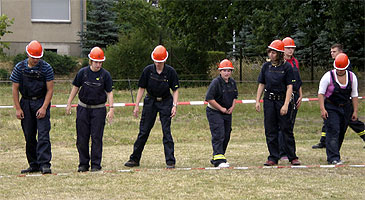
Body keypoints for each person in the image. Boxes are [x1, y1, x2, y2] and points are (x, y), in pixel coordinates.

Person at [124, 45, 179, 169]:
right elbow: (141, 88)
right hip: (150, 102)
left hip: (166, 102)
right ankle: (134, 159)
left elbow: (175, 90)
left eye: (160, 61)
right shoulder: (147, 70)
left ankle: (170, 161)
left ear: (164, 60)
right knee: (144, 131)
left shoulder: (171, 72)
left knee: (166, 132)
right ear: (153, 60)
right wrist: (136, 105)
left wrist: (174, 105)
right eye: (156, 61)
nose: (158, 64)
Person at [66, 47, 114, 172]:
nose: (98, 64)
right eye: (96, 62)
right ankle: (83, 164)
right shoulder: (83, 73)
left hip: (98, 110)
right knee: (82, 138)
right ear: (90, 61)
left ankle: (96, 164)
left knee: (96, 138)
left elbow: (109, 92)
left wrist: (111, 108)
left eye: (100, 62)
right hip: (83, 109)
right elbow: (75, 87)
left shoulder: (105, 75)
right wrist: (69, 103)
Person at [10, 40, 54, 174]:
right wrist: (18, 108)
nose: (36, 60)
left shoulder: (46, 68)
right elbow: (15, 89)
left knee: (43, 135)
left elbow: (50, 90)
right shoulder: (19, 67)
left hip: (41, 102)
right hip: (26, 103)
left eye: (38, 57)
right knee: (29, 135)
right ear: (28, 54)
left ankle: (44, 164)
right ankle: (33, 164)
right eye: (34, 57)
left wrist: (44, 108)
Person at [255, 40, 300, 166]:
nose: (271, 55)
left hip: (282, 100)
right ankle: (273, 157)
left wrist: (286, 104)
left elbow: (289, 87)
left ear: (280, 54)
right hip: (269, 101)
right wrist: (258, 100)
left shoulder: (287, 67)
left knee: (286, 129)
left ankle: (292, 157)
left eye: (274, 53)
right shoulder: (266, 66)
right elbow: (261, 84)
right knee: (270, 130)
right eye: (270, 52)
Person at [312, 44, 365, 149]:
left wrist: (354, 109)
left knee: (353, 123)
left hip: (345, 102)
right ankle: (324, 141)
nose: (332, 53)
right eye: (331, 51)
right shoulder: (335, 66)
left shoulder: (345, 66)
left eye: (334, 52)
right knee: (330, 122)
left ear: (341, 53)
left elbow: (351, 87)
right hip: (332, 104)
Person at [318, 53, 358, 164]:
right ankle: (333, 157)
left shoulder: (352, 77)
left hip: (346, 107)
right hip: (331, 107)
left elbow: (354, 94)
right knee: (333, 130)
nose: (339, 71)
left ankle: (335, 152)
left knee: (341, 131)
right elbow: (321, 94)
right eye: (338, 69)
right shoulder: (328, 76)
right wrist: (322, 109)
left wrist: (355, 111)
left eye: (342, 69)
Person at [206, 59, 238, 168]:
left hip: (227, 112)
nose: (226, 73)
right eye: (224, 70)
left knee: (226, 134)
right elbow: (209, 99)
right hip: (214, 111)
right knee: (218, 133)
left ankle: (219, 156)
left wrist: (232, 107)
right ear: (220, 71)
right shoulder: (215, 83)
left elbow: (235, 97)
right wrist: (221, 108)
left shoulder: (232, 82)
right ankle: (219, 160)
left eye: (229, 70)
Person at [278, 37, 303, 161]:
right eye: (288, 48)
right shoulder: (279, 63)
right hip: (283, 95)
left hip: (295, 95)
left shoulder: (295, 62)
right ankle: (282, 152)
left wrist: (300, 95)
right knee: (282, 125)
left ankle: (288, 151)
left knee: (290, 125)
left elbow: (298, 80)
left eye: (292, 48)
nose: (290, 51)